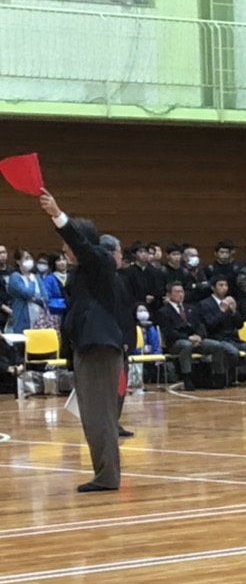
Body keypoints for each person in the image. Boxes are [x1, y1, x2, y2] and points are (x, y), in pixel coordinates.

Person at [39, 189, 128, 492]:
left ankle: (107, 477)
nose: (64, 250)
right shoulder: (80, 275)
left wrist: (56, 214)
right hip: (86, 348)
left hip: (100, 348)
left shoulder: (101, 262)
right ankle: (103, 474)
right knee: (91, 416)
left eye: (68, 244)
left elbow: (81, 245)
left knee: (100, 416)